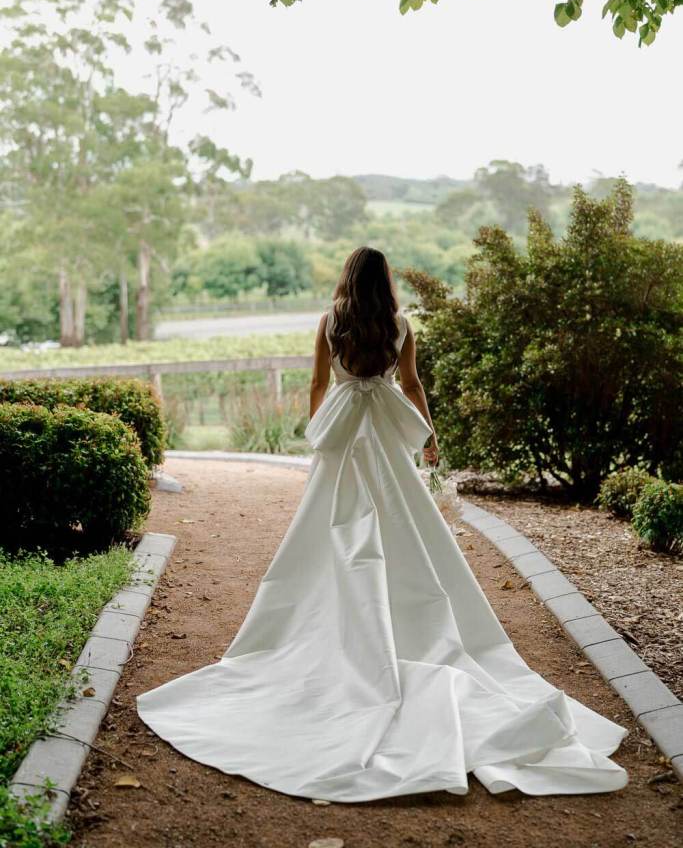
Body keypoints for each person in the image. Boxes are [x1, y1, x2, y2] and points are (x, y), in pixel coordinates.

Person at [137, 246, 628, 801]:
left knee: (331, 527)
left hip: (345, 436)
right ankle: (410, 615)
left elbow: (319, 387)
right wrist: (430, 436)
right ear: (386, 282)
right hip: (387, 440)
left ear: (348, 278)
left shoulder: (330, 323)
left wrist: (320, 431)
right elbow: (413, 385)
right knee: (404, 522)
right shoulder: (399, 325)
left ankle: (335, 613)